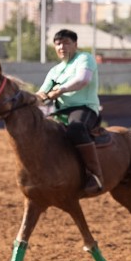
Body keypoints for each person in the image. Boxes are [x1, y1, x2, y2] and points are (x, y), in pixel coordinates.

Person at [36, 29, 104, 195]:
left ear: (75, 44)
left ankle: (94, 175)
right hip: (60, 114)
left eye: (66, 43)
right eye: (58, 44)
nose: (62, 47)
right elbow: (40, 95)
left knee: (76, 128)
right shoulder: (55, 71)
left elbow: (83, 80)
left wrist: (60, 90)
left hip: (85, 108)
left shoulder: (84, 58)